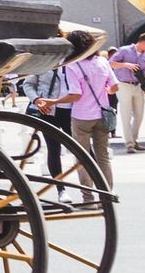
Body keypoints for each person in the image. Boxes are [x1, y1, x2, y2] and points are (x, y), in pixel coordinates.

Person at [37, 30, 115, 189]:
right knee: (103, 157)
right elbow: (115, 87)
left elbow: (75, 95)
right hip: (102, 114)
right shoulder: (102, 61)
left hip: (82, 116)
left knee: (82, 158)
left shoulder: (73, 65)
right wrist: (102, 91)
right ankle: (107, 193)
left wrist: (54, 101)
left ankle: (88, 197)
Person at [108, 35, 145, 153]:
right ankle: (129, 144)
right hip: (124, 84)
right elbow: (110, 63)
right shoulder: (125, 50)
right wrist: (126, 65)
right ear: (142, 42)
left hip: (138, 86)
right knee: (126, 114)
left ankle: (134, 139)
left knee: (139, 114)